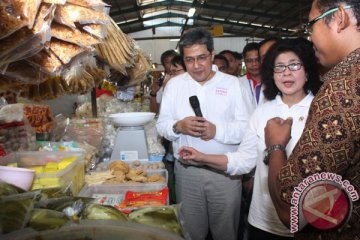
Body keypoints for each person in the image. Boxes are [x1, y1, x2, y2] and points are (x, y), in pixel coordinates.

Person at [179, 38, 322, 240]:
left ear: (307, 71)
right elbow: (243, 161)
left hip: (306, 221)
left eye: (294, 65)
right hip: (262, 220)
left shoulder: (320, 111)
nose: (286, 72)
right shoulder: (262, 111)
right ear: (272, 74)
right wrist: (202, 157)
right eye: (279, 67)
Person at [265, 1, 360, 239]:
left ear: (339, 18)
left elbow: (292, 209)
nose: (310, 37)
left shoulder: (343, 89)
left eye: (311, 26)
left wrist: (276, 146)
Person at [156, 27, 253, 240]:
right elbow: (161, 125)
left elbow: (247, 129)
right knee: (191, 232)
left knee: (225, 232)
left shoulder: (233, 85)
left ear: (212, 54)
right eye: (189, 60)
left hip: (224, 174)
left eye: (202, 58)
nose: (196, 65)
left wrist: (217, 131)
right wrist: (178, 127)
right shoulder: (174, 86)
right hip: (187, 173)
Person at [149, 49, 177, 114]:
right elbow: (154, 112)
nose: (171, 65)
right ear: (164, 66)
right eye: (167, 62)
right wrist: (153, 93)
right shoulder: (162, 85)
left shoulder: (186, 81)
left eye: (173, 61)